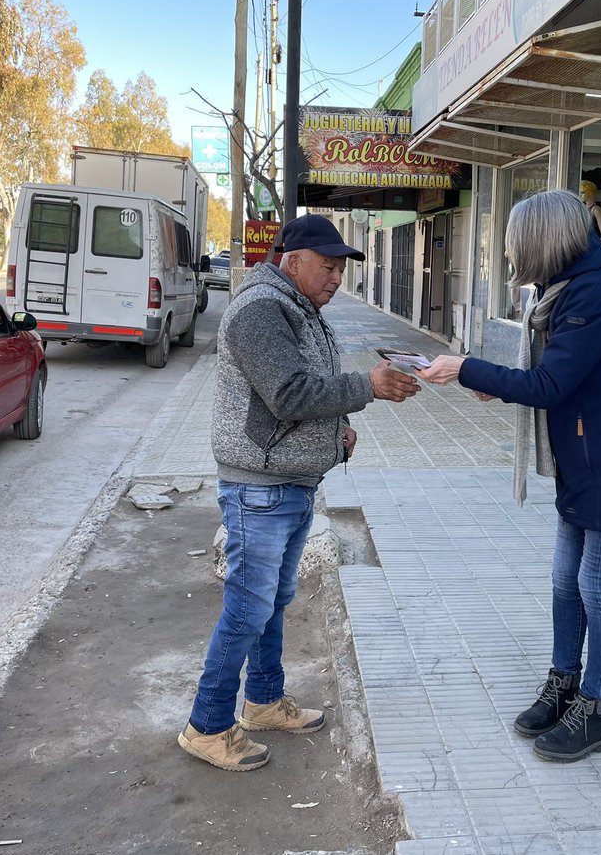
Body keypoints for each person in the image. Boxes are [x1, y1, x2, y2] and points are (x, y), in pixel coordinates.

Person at [419, 188, 601, 763]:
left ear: (543, 242)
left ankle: (596, 709)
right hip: (584, 462)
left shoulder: (595, 295)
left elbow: (550, 385)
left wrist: (467, 369)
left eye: (516, 248)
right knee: (565, 581)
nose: (513, 260)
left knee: (595, 587)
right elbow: (562, 378)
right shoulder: (566, 291)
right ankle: (565, 682)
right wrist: (488, 380)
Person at [179, 213, 420, 772]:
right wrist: (368, 387)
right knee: (248, 607)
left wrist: (335, 437)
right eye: (328, 267)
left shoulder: (299, 308)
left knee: (272, 603)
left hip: (289, 483)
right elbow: (288, 393)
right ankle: (207, 724)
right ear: (293, 262)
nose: (337, 278)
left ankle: (262, 702)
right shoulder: (262, 309)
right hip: (258, 487)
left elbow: (292, 400)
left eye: (341, 269)